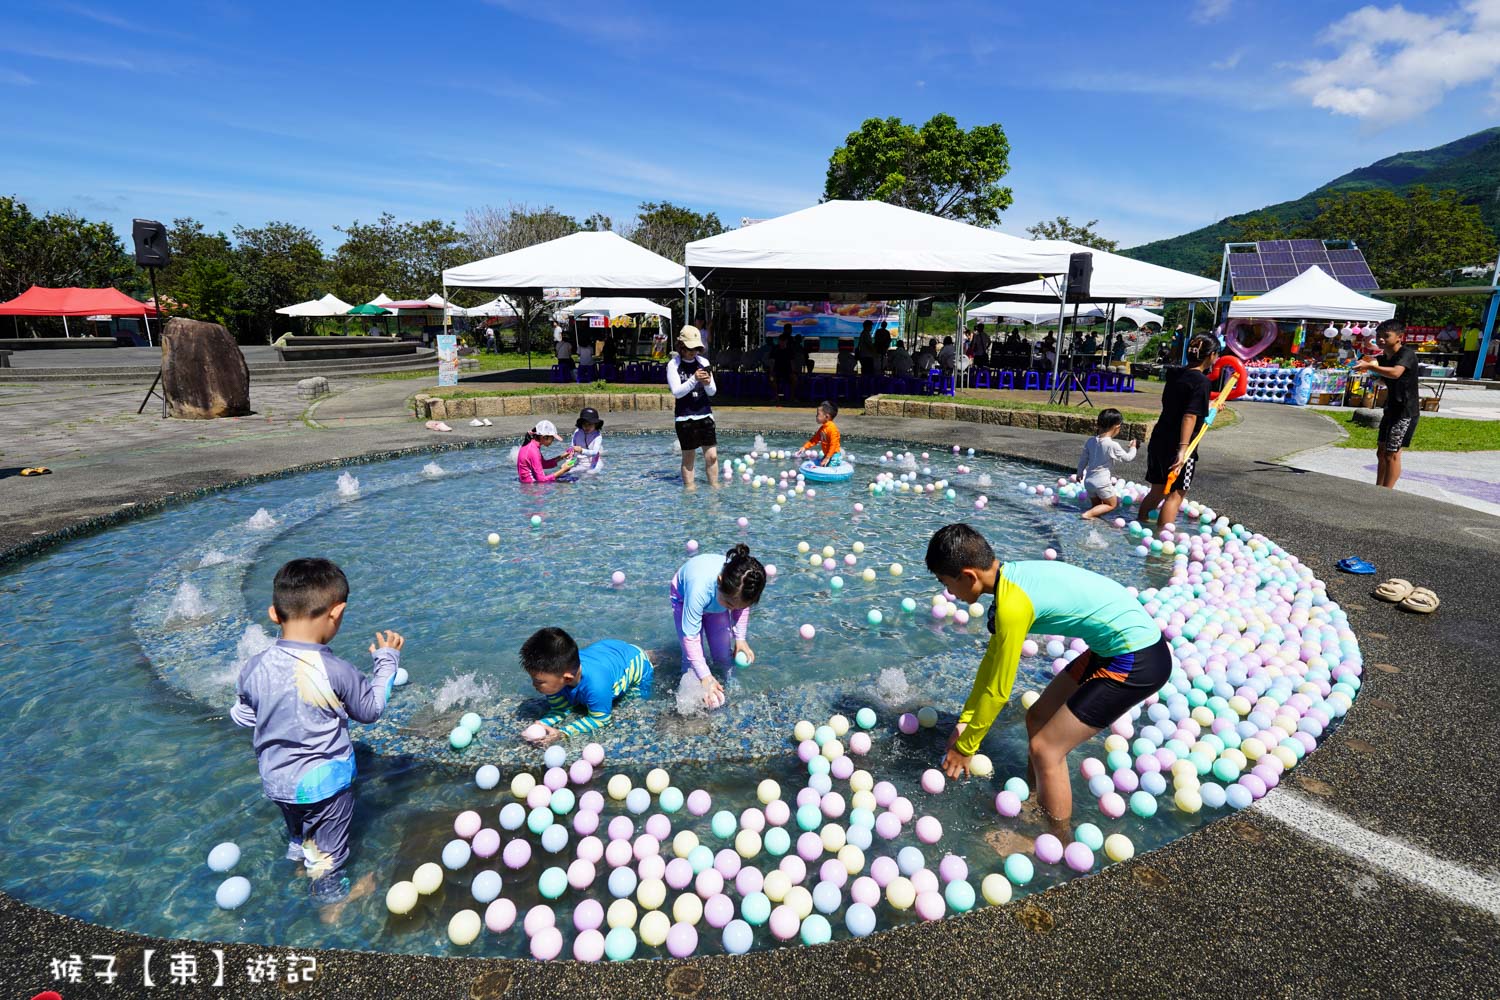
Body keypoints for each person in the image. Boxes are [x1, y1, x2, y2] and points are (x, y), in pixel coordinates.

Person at [924, 524, 1167, 825]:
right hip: (1116, 647)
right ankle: (1038, 803)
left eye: (947, 584)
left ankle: (1053, 839)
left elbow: (1000, 691)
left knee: (1046, 749)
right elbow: (990, 664)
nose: (949, 593)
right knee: (1037, 718)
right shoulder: (1010, 578)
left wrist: (966, 747)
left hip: (1137, 658)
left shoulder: (1012, 606)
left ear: (969, 576)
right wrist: (965, 721)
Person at [230, 558, 404, 902]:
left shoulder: (254, 667)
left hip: (277, 782)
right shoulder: (335, 670)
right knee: (330, 857)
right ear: (336, 613)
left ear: (274, 614)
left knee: (299, 833)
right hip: (324, 785)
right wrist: (386, 663)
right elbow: (370, 710)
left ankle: (299, 859)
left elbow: (243, 716)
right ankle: (333, 903)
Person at [1137, 334, 1219, 530]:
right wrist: (1183, 450)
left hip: (1159, 439)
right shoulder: (1202, 382)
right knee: (1175, 494)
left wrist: (1209, 405)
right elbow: (1189, 415)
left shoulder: (1175, 374)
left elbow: (1179, 403)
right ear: (1212, 356)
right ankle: (1162, 538)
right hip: (1180, 447)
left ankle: (1139, 525)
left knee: (1157, 490)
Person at [671, 544, 766, 709]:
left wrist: (740, 639)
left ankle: (730, 687)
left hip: (717, 602)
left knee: (723, 655)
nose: (733, 610)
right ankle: (687, 706)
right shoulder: (699, 589)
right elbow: (690, 637)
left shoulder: (740, 588)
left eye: (737, 606)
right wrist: (705, 677)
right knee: (690, 660)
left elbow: (740, 606)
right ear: (720, 581)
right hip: (684, 598)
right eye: (730, 604)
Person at [520, 628, 653, 743]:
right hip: (604, 652)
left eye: (538, 681)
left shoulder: (597, 686)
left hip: (635, 661)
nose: (533, 685)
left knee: (634, 700)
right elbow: (560, 709)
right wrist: (542, 724)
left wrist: (562, 733)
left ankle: (652, 655)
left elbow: (601, 719)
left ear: (567, 679)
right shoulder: (557, 678)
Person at [1355, 319, 1419, 488]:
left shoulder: (1406, 354)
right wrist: (1371, 373)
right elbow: (1384, 380)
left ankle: (1387, 492)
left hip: (1405, 411)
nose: (1381, 339)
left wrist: (1371, 367)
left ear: (1399, 337)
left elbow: (1396, 373)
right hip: (1390, 408)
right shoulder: (1384, 358)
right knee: (1381, 451)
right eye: (1378, 336)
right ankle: (1378, 488)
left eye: (1386, 336)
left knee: (1393, 453)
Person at [667, 325, 718, 489]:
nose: (693, 352)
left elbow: (712, 392)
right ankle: (690, 489)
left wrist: (708, 383)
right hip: (685, 416)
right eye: (689, 348)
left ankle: (714, 486)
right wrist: (694, 380)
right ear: (681, 346)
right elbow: (677, 392)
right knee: (689, 457)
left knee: (712, 457)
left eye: (696, 348)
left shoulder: (704, 362)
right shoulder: (673, 365)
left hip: (704, 414)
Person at [1076, 409, 1138, 519]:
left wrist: (1079, 472)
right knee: (1111, 504)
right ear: (1117, 427)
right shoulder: (1112, 444)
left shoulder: (1090, 441)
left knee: (1097, 507)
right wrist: (1133, 448)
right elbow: (1128, 458)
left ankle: (1092, 520)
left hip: (1088, 481)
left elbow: (1083, 459)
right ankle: (1087, 515)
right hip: (1102, 483)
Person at [517, 420, 576, 484]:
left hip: (529, 485)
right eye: (552, 438)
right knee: (571, 481)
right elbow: (541, 480)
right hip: (533, 487)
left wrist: (562, 456)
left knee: (568, 478)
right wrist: (563, 470)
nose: (553, 441)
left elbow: (543, 464)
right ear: (544, 437)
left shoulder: (531, 445)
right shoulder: (533, 451)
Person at [799, 400, 843, 467]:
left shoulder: (832, 429)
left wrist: (827, 458)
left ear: (827, 416)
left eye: (818, 414)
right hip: (827, 455)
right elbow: (814, 440)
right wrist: (804, 447)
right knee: (820, 465)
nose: (816, 416)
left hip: (834, 456)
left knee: (828, 469)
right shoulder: (822, 428)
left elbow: (833, 445)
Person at [571, 406, 604, 473]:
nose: (587, 427)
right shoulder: (577, 432)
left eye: (590, 424)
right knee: (569, 471)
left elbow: (594, 452)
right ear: (581, 424)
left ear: (596, 424)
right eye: (584, 424)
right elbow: (572, 448)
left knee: (589, 474)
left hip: (595, 462)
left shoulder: (597, 436)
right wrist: (569, 461)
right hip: (581, 462)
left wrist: (581, 450)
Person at [771, 327, 798, 401]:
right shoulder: (775, 349)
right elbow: (772, 362)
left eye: (784, 341)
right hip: (777, 370)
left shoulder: (790, 350)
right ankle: (776, 396)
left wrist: (794, 371)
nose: (782, 342)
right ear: (779, 341)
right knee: (772, 379)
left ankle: (792, 397)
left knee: (795, 379)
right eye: (780, 341)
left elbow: (792, 362)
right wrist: (771, 372)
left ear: (786, 341)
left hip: (788, 371)